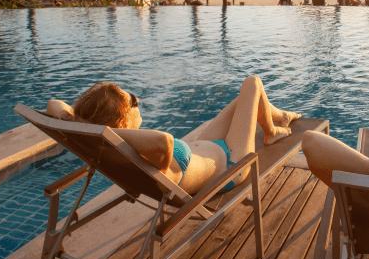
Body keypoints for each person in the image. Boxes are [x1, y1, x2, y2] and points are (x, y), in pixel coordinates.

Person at [46, 76, 301, 195]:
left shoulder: (116, 142)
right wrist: (108, 132)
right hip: (231, 166)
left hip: (205, 149)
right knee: (253, 84)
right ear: (117, 123)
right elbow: (165, 142)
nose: (139, 101)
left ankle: (281, 117)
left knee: (245, 98)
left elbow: (53, 104)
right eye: (132, 100)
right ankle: (272, 131)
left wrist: (79, 123)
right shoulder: (140, 144)